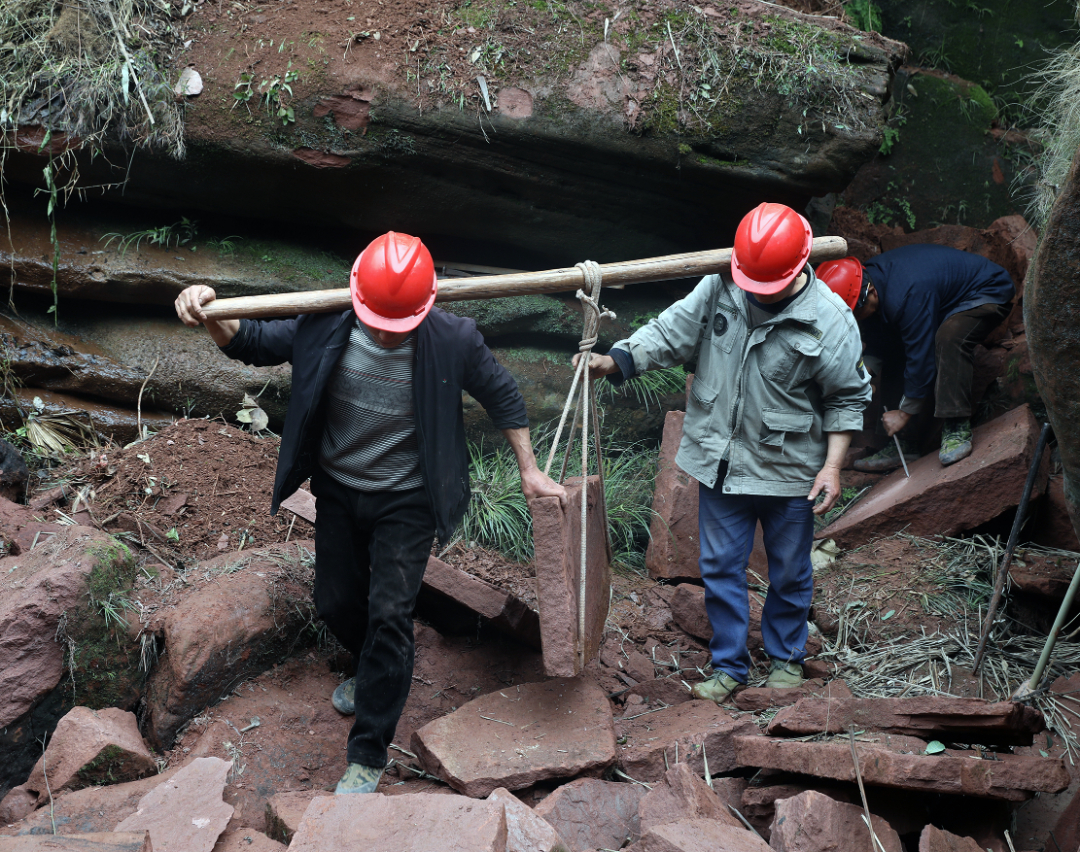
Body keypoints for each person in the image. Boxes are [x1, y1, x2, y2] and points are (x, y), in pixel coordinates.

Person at [175, 231, 566, 794]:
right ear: (358, 296)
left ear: (425, 307)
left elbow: (504, 395)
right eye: (377, 318)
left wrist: (529, 468)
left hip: (407, 500)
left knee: (390, 613)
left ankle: (369, 750)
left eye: (397, 323)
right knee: (335, 601)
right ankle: (373, 666)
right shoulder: (325, 317)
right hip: (338, 486)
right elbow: (251, 342)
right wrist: (208, 309)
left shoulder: (453, 338)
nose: (385, 331)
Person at [575, 203, 870, 702]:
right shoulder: (721, 286)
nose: (753, 292)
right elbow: (671, 332)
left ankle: (786, 661)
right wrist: (618, 359)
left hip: (789, 470)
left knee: (790, 570)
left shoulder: (830, 320)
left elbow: (847, 397)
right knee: (719, 568)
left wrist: (832, 465)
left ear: (798, 269)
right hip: (720, 464)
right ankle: (730, 665)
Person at [818, 245, 1015, 470]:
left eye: (854, 314)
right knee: (895, 345)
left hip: (986, 291)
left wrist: (904, 413)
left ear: (871, 291)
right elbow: (878, 343)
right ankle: (904, 443)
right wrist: (860, 377)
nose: (854, 321)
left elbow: (921, 357)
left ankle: (956, 427)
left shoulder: (908, 293)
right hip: (940, 300)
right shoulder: (867, 286)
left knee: (949, 337)